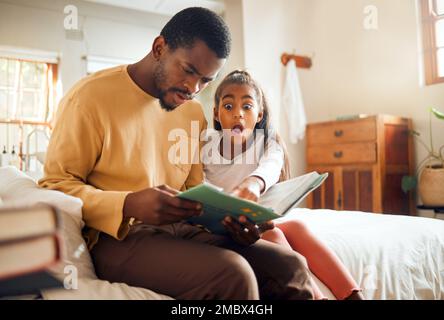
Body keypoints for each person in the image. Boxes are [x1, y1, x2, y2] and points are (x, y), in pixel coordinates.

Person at [39, 7, 314, 300]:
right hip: (116, 238)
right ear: (159, 48)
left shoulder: (192, 113)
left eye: (206, 81)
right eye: (189, 71)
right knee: (233, 274)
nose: (193, 89)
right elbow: (56, 186)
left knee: (290, 266)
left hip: (182, 228)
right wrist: (129, 203)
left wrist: (231, 223)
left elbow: (192, 188)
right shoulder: (89, 98)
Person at [203, 70, 364, 300]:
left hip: (257, 225)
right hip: (224, 232)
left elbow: (271, 166)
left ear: (259, 114)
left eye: (247, 107)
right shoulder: (206, 150)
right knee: (273, 236)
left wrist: (254, 183)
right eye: (228, 107)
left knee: (296, 226)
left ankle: (354, 296)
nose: (238, 114)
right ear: (216, 114)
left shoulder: (269, 143)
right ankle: (316, 297)